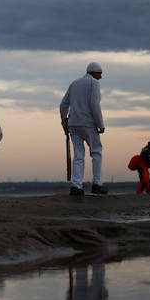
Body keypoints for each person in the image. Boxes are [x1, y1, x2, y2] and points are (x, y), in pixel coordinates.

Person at [60, 62, 108, 199]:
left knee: (78, 156)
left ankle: (76, 186)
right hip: (88, 123)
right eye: (100, 73)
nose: (101, 77)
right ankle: (97, 184)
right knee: (96, 152)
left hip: (73, 124)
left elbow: (63, 104)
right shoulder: (94, 83)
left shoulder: (74, 83)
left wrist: (64, 121)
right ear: (94, 72)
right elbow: (94, 104)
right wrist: (101, 124)